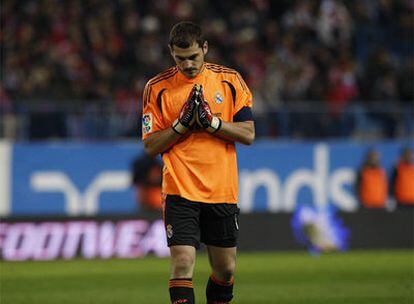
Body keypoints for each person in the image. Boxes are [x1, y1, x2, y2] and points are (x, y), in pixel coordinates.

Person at [141, 21, 255, 304]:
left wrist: (212, 123)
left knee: (225, 269)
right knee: (182, 261)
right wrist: (181, 126)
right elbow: (150, 145)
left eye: (193, 56)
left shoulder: (230, 81)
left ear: (205, 48)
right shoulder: (157, 88)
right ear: (171, 53)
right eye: (181, 59)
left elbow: (248, 134)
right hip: (180, 189)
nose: (188, 64)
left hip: (221, 190)